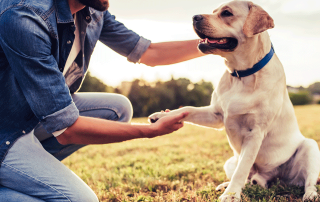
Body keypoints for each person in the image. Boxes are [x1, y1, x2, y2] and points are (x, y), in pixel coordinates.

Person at [0, 0, 204, 201]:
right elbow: (67, 129)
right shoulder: (25, 16)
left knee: (118, 109)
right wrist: (151, 131)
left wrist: (213, 43)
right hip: (6, 131)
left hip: (28, 117)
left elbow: (150, 52)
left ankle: (20, 173)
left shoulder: (92, 10)